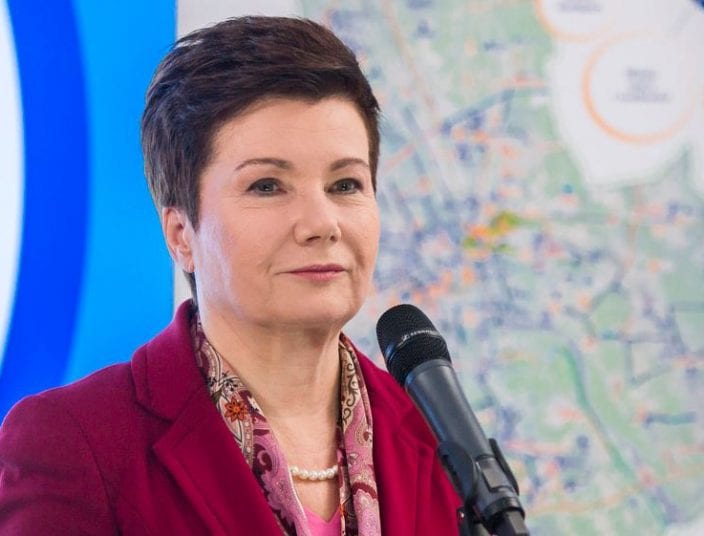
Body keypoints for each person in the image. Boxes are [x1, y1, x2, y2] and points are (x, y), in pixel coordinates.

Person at [0, 15, 461, 535]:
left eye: (345, 185)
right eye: (267, 186)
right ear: (181, 234)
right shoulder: (75, 443)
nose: (321, 224)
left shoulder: (435, 436)